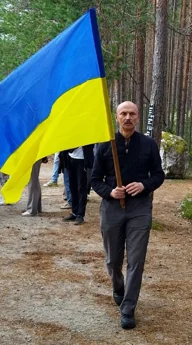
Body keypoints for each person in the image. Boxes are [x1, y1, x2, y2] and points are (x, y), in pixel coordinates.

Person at [91, 101, 165, 329]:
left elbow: (158, 175)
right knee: (113, 259)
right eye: (123, 113)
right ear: (116, 117)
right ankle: (118, 286)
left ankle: (128, 308)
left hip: (140, 209)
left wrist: (144, 186)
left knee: (136, 260)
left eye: (132, 114)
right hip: (112, 208)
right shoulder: (105, 145)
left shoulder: (148, 145)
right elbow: (94, 180)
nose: (128, 118)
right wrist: (110, 192)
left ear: (138, 117)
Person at [62, 145, 94, 225]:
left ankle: (80, 214)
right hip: (70, 157)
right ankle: (74, 212)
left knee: (81, 188)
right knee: (72, 187)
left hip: (82, 160)